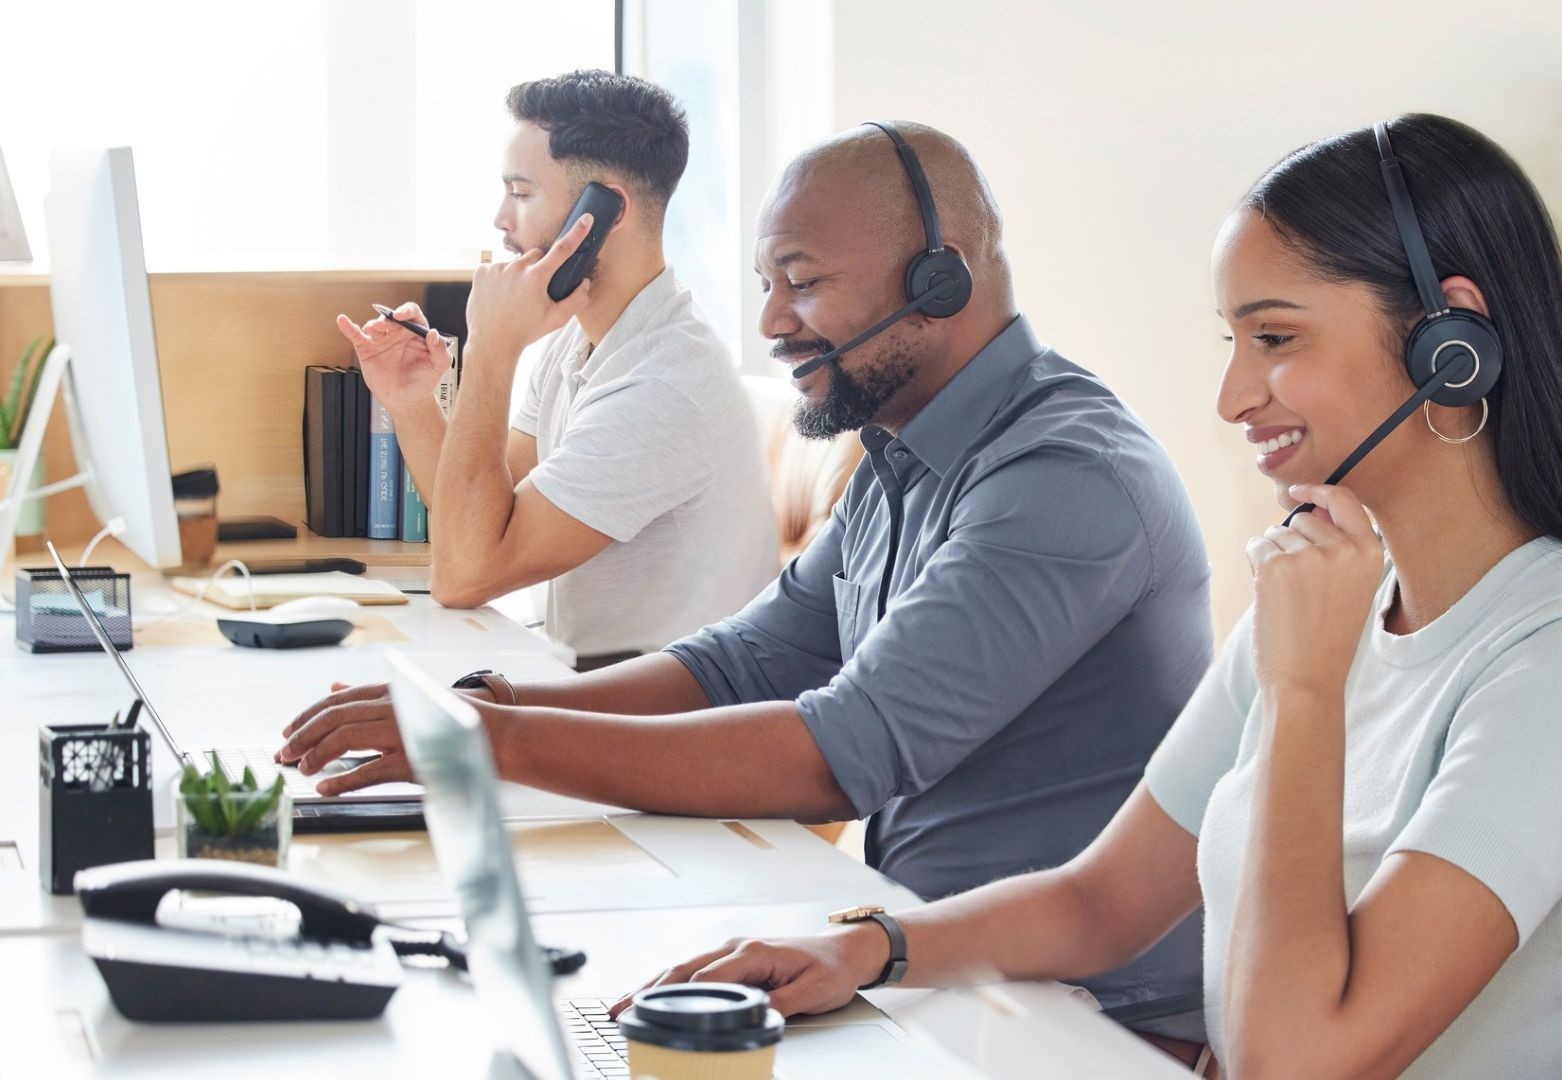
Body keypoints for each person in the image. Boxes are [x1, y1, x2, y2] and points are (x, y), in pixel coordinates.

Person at [618, 114, 1562, 1080]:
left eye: (1275, 339)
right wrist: (866, 949)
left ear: (1450, 343)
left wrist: (1300, 691)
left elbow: (1298, 1064)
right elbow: (1102, 901)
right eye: (1231, 341)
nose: (1234, 396)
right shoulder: (1335, 593)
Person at [279, 121, 1215, 1029]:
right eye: (767, 284)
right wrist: (492, 703)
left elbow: (842, 752)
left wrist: (494, 744)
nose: (770, 321)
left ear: (943, 276)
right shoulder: (906, 447)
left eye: (801, 285)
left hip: (1080, 1015)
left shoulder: (1064, 478)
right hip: (918, 955)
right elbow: (747, 662)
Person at [337, 69, 776, 667]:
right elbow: (487, 516)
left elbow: (466, 573)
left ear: (603, 213)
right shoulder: (582, 343)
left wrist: (491, 348)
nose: (499, 218)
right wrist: (414, 401)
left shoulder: (664, 386)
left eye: (520, 194)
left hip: (662, 728)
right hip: (592, 690)